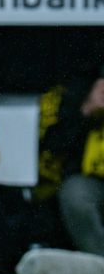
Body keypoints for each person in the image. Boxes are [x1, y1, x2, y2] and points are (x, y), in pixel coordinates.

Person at [45, 60, 104, 255]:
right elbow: (54, 146)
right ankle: (99, 264)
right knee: (75, 192)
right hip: (95, 182)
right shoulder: (80, 91)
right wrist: (88, 110)